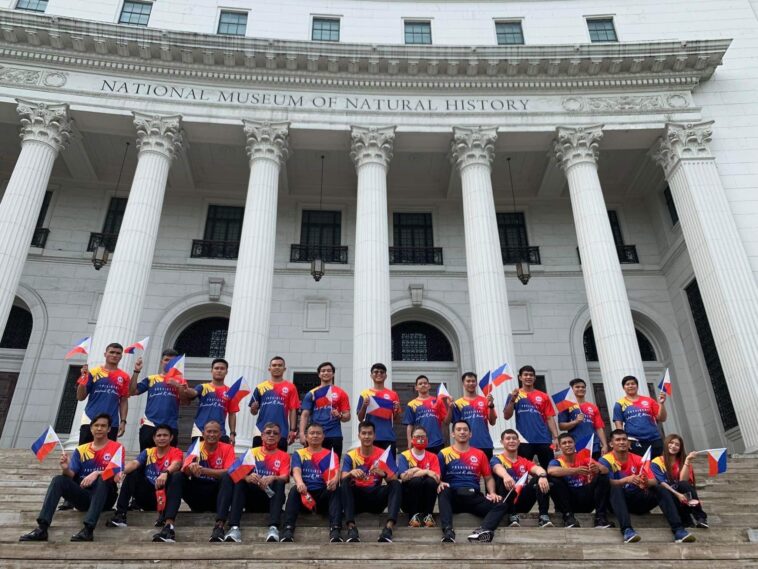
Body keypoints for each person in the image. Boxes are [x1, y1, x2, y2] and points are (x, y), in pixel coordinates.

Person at [19, 413, 124, 542]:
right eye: (96, 425)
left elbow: (117, 475)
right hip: (84, 495)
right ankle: (42, 528)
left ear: (109, 429)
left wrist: (97, 473)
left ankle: (88, 530)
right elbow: (72, 474)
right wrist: (65, 468)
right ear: (91, 428)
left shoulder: (117, 448)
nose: (99, 428)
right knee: (58, 480)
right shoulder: (81, 450)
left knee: (102, 479)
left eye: (103, 426)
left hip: (105, 497)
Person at [598, 429, 695, 544]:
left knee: (659, 488)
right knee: (615, 488)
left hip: (638, 499)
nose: (622, 442)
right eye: (618, 440)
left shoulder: (639, 459)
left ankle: (678, 530)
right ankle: (627, 530)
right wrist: (625, 480)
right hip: (617, 501)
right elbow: (605, 484)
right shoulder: (605, 460)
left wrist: (645, 482)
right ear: (611, 444)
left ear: (628, 443)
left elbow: (654, 480)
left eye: (624, 439)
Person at [437, 419, 508, 543]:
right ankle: (448, 531)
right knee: (443, 490)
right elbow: (437, 475)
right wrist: (439, 482)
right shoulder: (444, 453)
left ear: (470, 434)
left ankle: (484, 530)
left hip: (474, 497)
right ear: (453, 434)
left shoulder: (479, 454)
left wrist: (492, 492)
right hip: (453, 497)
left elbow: (488, 477)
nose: (462, 432)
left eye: (465, 430)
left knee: (501, 504)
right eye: (458, 430)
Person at [222, 422, 290, 543]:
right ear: (262, 436)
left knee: (279, 482)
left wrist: (273, 477)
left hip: (270, 498)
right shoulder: (252, 453)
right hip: (251, 498)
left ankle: (273, 528)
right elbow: (232, 471)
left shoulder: (284, 456)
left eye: (275, 433)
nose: (271, 435)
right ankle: (234, 527)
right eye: (268, 433)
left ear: (279, 438)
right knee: (240, 481)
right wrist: (247, 477)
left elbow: (285, 477)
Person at [106, 424, 183, 531]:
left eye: (165, 435)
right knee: (132, 473)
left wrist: (165, 473)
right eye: (159, 435)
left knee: (176, 476)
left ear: (171, 438)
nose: (161, 438)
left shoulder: (176, 452)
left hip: (165, 498)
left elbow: (177, 464)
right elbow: (135, 463)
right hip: (148, 497)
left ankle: (166, 520)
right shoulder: (148, 452)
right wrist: (121, 471)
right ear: (154, 438)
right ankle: (120, 515)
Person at [341, 420, 401, 543]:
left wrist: (383, 474)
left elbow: (394, 478)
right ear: (359, 436)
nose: (367, 436)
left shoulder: (383, 454)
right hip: (357, 498)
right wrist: (351, 473)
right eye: (364, 433)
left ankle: (388, 528)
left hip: (376, 498)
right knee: (345, 482)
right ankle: (351, 528)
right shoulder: (350, 455)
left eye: (369, 433)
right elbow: (342, 477)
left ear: (375, 436)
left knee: (396, 484)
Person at [281, 422, 342, 543]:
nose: (315, 436)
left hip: (323, 494)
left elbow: (336, 472)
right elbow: (296, 470)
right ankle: (288, 529)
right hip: (305, 493)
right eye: (312, 433)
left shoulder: (331, 454)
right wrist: (299, 483)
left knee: (335, 490)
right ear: (306, 437)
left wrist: (334, 481)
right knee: (293, 490)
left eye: (318, 433)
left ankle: (335, 529)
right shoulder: (299, 453)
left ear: (323, 437)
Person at [177, 420, 237, 542]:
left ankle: (220, 525)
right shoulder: (196, 446)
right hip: (198, 493)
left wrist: (204, 471)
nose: (212, 434)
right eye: (209, 432)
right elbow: (185, 470)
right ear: (203, 434)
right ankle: (169, 523)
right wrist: (191, 468)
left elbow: (230, 472)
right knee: (177, 476)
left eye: (215, 432)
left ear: (220, 434)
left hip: (216, 494)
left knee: (228, 478)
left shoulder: (227, 448)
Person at [547, 432, 612, 528]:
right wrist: (575, 471)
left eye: (570, 442)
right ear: (560, 447)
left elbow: (606, 470)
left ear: (574, 444)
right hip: (567, 502)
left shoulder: (585, 458)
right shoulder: (556, 461)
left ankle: (600, 518)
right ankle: (568, 517)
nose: (568, 445)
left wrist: (597, 469)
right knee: (553, 479)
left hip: (585, 500)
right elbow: (551, 471)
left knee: (603, 477)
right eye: (564, 443)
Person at [491, 429, 552, 528]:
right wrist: (506, 476)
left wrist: (542, 476)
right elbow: (497, 467)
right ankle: (512, 515)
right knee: (503, 476)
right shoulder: (497, 458)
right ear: (502, 442)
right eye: (508, 438)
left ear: (519, 442)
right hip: (506, 500)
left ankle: (543, 517)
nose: (511, 441)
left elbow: (538, 469)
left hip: (522, 500)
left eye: (514, 439)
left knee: (540, 478)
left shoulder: (524, 461)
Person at [503, 365, 558, 469]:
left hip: (544, 439)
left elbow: (550, 418)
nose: (528, 377)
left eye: (531, 375)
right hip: (524, 440)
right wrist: (512, 399)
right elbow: (506, 416)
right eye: (525, 375)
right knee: (523, 471)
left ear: (534, 378)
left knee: (550, 470)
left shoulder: (543, 396)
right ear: (520, 377)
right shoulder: (514, 395)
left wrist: (555, 437)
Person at [129, 349, 184, 450]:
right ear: (161, 361)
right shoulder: (151, 379)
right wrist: (136, 371)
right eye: (166, 360)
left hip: (170, 425)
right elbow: (133, 391)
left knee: (168, 460)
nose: (168, 363)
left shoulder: (181, 381)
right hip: (150, 423)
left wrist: (179, 387)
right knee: (146, 458)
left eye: (172, 361)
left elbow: (186, 401)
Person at [651, 433, 709, 529]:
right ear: (666, 444)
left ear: (680, 448)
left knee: (683, 484)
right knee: (664, 491)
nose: (673, 446)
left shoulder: (682, 462)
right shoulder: (656, 462)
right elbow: (661, 482)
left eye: (677, 445)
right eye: (671, 443)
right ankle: (686, 521)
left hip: (686, 498)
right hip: (670, 497)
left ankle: (701, 518)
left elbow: (683, 481)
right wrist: (677, 494)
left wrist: (687, 461)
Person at [76, 343, 130, 444]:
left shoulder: (124, 377)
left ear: (121, 356)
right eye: (112, 352)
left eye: (118, 353)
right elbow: (80, 397)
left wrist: (123, 421)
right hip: (90, 419)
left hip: (111, 422)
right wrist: (83, 379)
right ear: (105, 354)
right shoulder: (93, 373)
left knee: (107, 456)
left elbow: (123, 400)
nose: (114, 355)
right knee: (85, 455)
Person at [180, 358, 238, 445]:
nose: (219, 371)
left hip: (220, 432)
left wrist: (232, 433)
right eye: (216, 368)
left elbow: (232, 414)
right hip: (200, 430)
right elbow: (194, 393)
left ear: (226, 372)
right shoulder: (203, 387)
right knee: (199, 458)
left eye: (222, 369)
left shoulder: (230, 392)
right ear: (211, 371)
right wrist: (187, 389)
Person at [299, 361, 350, 456]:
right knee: (312, 466)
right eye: (323, 371)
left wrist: (340, 415)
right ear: (319, 374)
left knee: (333, 467)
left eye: (329, 371)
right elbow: (304, 415)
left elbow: (347, 416)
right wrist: (302, 434)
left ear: (333, 374)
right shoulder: (312, 393)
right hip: (315, 434)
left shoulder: (341, 393)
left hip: (334, 435)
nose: (326, 373)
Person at [250, 356, 300, 451]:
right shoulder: (260, 387)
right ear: (269, 368)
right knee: (257, 461)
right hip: (260, 430)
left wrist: (293, 430)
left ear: (284, 369)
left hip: (281, 431)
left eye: (280, 365)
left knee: (279, 462)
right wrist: (253, 408)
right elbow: (254, 412)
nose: (277, 367)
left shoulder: (291, 387)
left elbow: (293, 409)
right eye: (274, 365)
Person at [613, 375, 666, 458]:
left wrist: (661, 404)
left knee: (657, 466)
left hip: (655, 439)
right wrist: (624, 440)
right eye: (627, 384)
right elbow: (618, 425)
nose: (630, 386)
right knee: (640, 468)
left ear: (637, 386)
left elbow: (662, 418)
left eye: (633, 384)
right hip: (634, 442)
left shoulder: (649, 400)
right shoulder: (619, 403)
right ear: (624, 387)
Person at [398, 424, 441, 528]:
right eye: (417, 437)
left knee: (430, 481)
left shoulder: (433, 457)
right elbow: (403, 476)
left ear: (427, 439)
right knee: (416, 481)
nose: (420, 439)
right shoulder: (404, 456)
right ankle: (412, 517)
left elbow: (437, 477)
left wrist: (413, 470)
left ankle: (428, 516)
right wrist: (426, 471)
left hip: (426, 498)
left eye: (423, 437)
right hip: (408, 499)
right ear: (412, 439)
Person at [447, 371, 496, 458]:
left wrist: (491, 406)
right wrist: (450, 408)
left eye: (473, 381)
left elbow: (492, 422)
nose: (471, 383)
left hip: (484, 444)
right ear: (463, 383)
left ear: (476, 383)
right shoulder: (457, 404)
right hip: (465, 446)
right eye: (468, 381)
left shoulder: (485, 401)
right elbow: (452, 424)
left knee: (487, 472)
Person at [557, 378, 608, 459]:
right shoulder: (566, 406)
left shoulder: (593, 407)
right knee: (581, 470)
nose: (581, 389)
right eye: (577, 387)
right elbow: (561, 426)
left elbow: (599, 428)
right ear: (571, 389)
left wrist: (604, 445)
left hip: (593, 444)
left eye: (583, 387)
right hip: (576, 444)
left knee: (595, 469)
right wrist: (575, 421)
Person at [356, 363, 401, 456]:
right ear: (371, 375)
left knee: (388, 469)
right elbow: (360, 418)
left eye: (382, 372)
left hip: (388, 437)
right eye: (376, 372)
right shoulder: (365, 393)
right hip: (370, 438)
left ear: (386, 376)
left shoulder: (393, 394)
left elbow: (397, 420)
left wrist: (397, 410)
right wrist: (364, 406)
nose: (379, 374)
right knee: (371, 468)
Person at [403, 375, 449, 455]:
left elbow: (446, 421)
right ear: (416, 387)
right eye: (420, 384)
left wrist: (450, 407)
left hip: (437, 442)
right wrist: (409, 441)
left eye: (425, 383)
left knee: (436, 467)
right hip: (419, 441)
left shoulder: (438, 401)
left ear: (429, 386)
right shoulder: (411, 404)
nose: (423, 385)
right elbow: (409, 425)